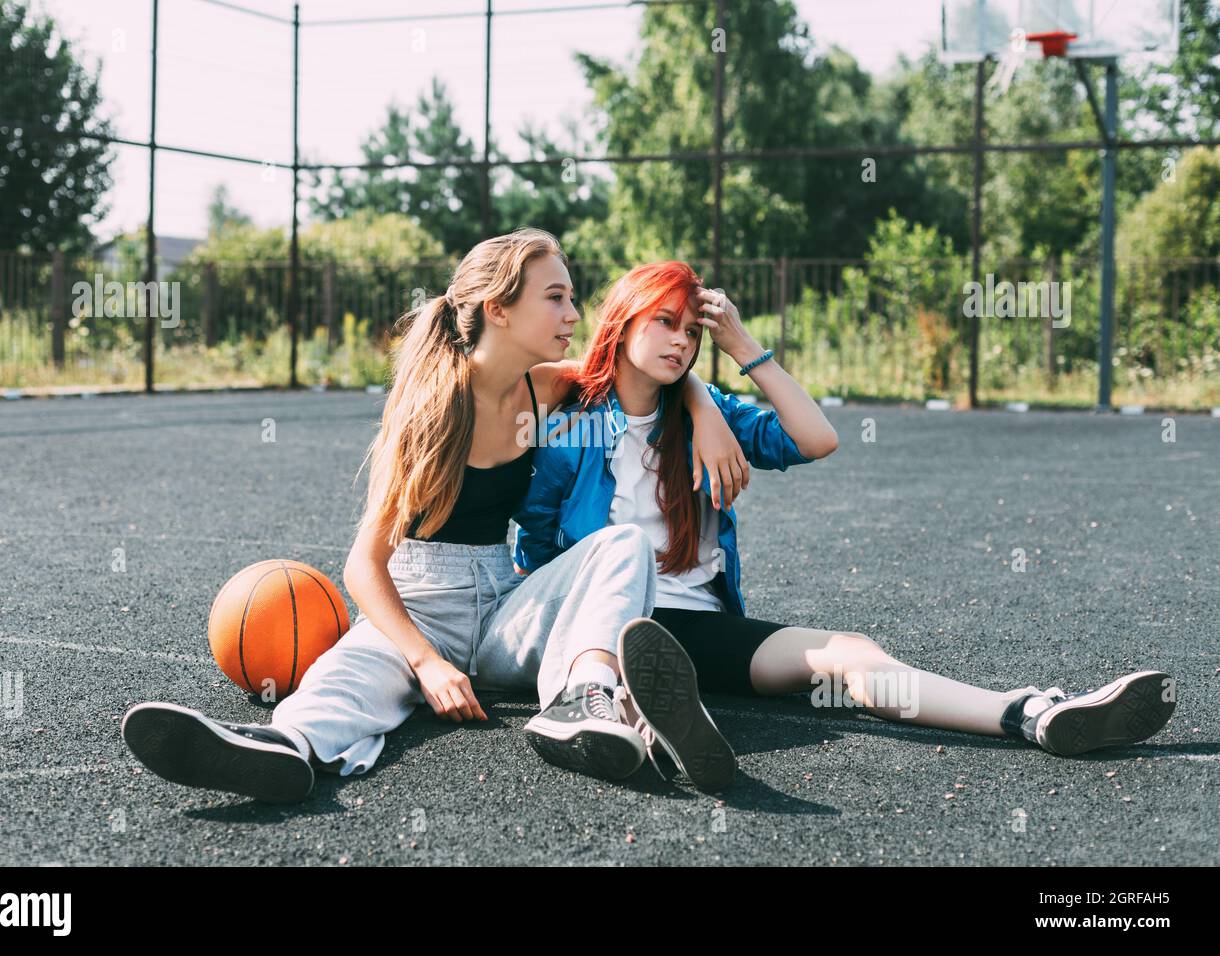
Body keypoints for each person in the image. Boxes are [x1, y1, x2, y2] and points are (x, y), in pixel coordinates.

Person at [121, 230, 751, 803]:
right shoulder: (430, 409)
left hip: (504, 605)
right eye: (556, 298)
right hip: (421, 604)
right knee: (346, 677)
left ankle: (584, 699)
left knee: (624, 547)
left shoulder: (545, 386)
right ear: (500, 309)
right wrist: (425, 661)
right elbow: (364, 566)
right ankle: (281, 748)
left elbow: (643, 371)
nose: (573, 314)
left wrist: (704, 408)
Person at [512, 260, 1177, 775]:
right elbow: (540, 549)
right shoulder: (572, 428)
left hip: (701, 631)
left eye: (691, 331)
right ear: (624, 321)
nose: (681, 341)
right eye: (663, 322)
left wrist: (742, 349)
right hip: (617, 623)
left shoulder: (702, 411)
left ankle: (1027, 711)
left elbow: (814, 439)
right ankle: (628, 706)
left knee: (850, 656)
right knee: (640, 641)